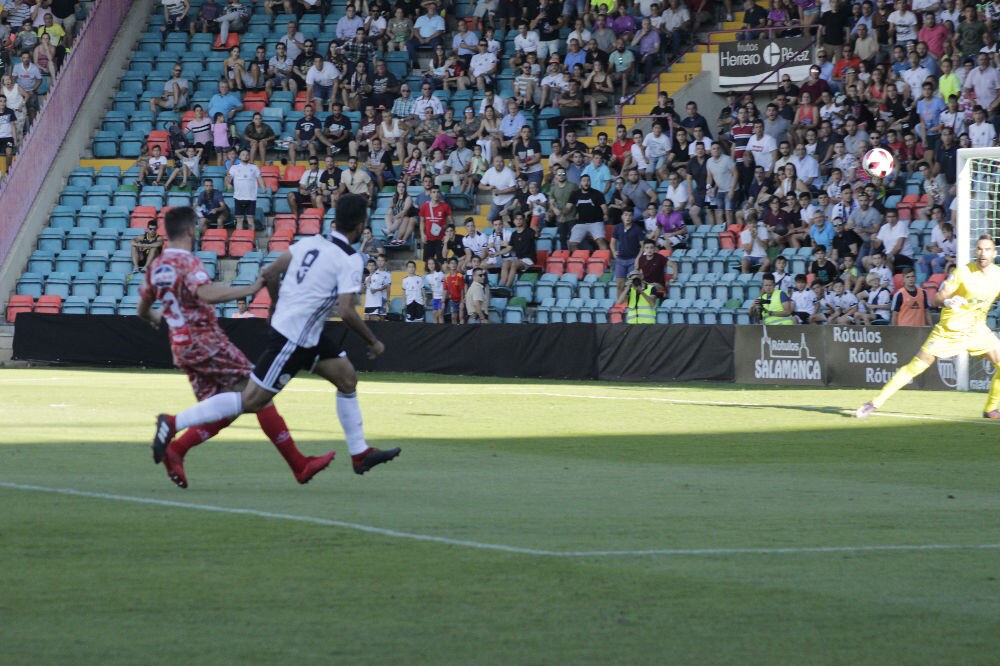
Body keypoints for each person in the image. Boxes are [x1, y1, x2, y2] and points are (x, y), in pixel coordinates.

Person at [151, 195, 400, 475]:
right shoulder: (351, 259)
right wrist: (373, 341)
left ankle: (359, 453)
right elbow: (347, 309)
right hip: (294, 336)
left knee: (347, 378)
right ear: (360, 225)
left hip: (307, 332)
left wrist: (275, 303)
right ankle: (173, 422)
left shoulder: (311, 241)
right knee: (251, 400)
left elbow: (270, 272)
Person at [139, 207, 336, 488]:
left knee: (226, 409)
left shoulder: (155, 267)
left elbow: (142, 309)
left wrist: (161, 317)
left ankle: (177, 450)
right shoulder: (188, 262)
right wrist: (247, 290)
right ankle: (298, 465)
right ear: (190, 231)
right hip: (205, 340)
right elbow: (204, 293)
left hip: (182, 348)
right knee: (257, 393)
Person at [856, 236, 1000, 419]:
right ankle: (874, 402)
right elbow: (937, 298)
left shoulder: (997, 275)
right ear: (975, 252)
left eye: (987, 249)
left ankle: (991, 408)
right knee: (917, 366)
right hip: (951, 329)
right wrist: (948, 301)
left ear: (995, 253)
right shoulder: (963, 273)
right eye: (979, 249)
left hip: (977, 329)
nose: (982, 253)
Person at [224, 149, 264, 232]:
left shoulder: (254, 167)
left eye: (247, 154)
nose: (245, 156)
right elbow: (228, 178)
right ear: (239, 156)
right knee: (239, 220)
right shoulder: (234, 167)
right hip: (238, 197)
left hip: (251, 197)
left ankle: (251, 240)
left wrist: (263, 187)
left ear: (249, 156)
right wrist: (228, 184)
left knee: (250, 219)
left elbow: (259, 177)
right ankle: (239, 241)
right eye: (243, 154)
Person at [442, 259, 466, 323]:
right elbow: (445, 290)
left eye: (455, 263)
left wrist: (462, 301)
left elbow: (462, 290)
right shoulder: (446, 277)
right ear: (449, 265)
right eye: (452, 263)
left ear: (457, 265)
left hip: (460, 300)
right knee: (453, 317)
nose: (453, 265)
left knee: (461, 317)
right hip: (452, 300)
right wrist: (443, 301)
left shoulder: (460, 276)